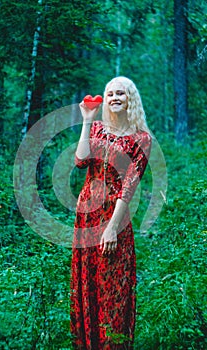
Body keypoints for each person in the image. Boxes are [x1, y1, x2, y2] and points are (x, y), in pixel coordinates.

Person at [70, 76, 152, 349]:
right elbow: (81, 161)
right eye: (110, 93)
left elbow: (129, 185)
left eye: (121, 93)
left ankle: (113, 345)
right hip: (87, 216)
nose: (115, 97)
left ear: (131, 100)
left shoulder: (141, 138)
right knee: (88, 283)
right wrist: (86, 119)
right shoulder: (96, 129)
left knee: (113, 287)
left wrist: (111, 228)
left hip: (115, 218)